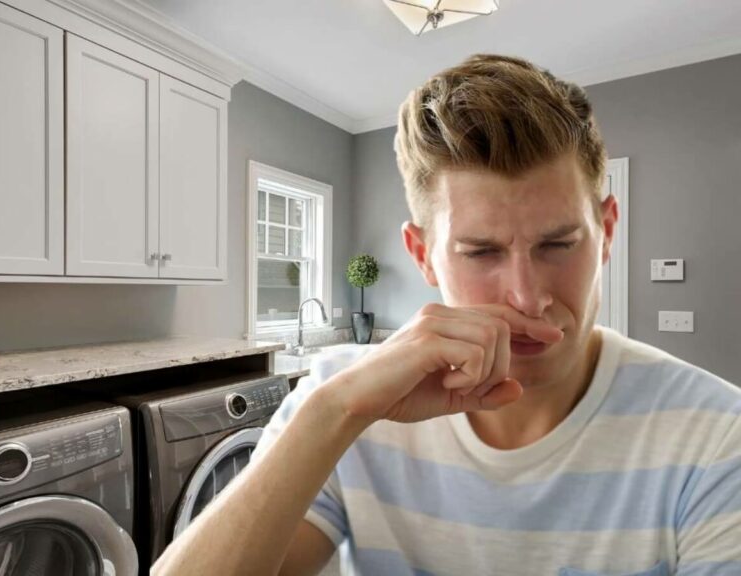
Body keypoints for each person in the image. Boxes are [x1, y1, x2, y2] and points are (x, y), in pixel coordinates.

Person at [152, 54, 741, 576]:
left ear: (607, 232)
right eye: (482, 252)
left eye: (559, 245)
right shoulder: (343, 402)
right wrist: (331, 411)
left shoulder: (718, 435)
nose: (527, 297)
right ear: (421, 255)